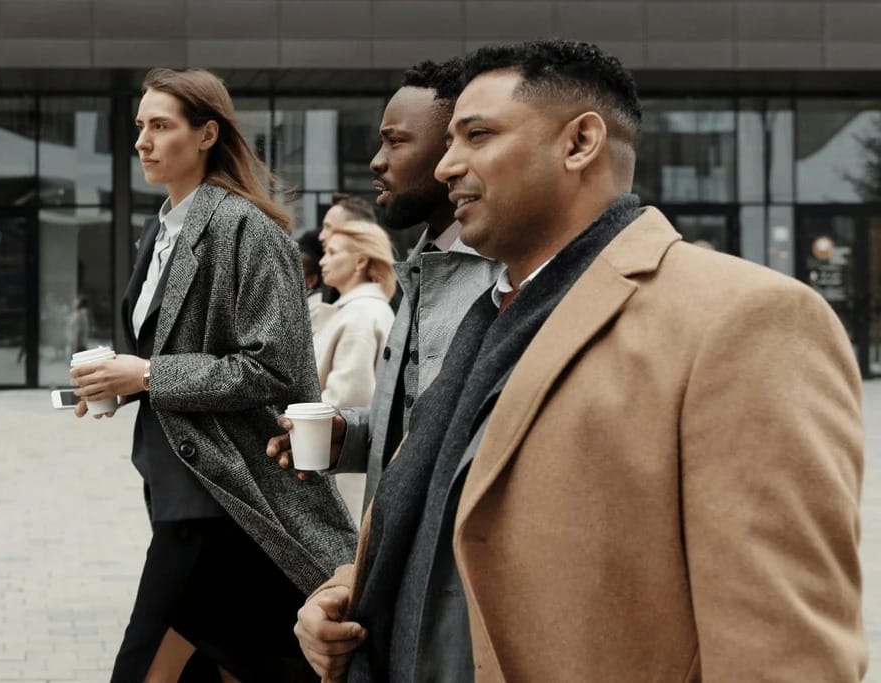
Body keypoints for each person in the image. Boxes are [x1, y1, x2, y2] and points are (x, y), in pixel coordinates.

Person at [294, 40, 866, 682]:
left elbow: (782, 651)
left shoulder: (747, 319)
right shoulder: (489, 313)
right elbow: (454, 519)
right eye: (450, 140)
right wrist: (348, 590)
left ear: (579, 143)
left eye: (477, 135)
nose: (448, 164)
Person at [70, 67, 356, 683]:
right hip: (177, 486)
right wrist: (110, 385)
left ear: (206, 134)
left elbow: (276, 367)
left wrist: (147, 376)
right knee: (242, 665)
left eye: (161, 126)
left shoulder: (248, 230)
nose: (142, 141)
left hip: (225, 495)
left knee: (144, 666)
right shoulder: (161, 230)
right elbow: (161, 357)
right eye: (139, 126)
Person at [267, 58, 502, 510]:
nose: (377, 161)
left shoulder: (502, 277)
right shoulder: (424, 265)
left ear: (450, 150)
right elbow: (420, 429)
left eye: (396, 142)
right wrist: (349, 437)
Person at [314, 220, 397, 409]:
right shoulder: (363, 308)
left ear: (360, 261)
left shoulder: (361, 314)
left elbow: (345, 402)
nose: (322, 261)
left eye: (332, 252)